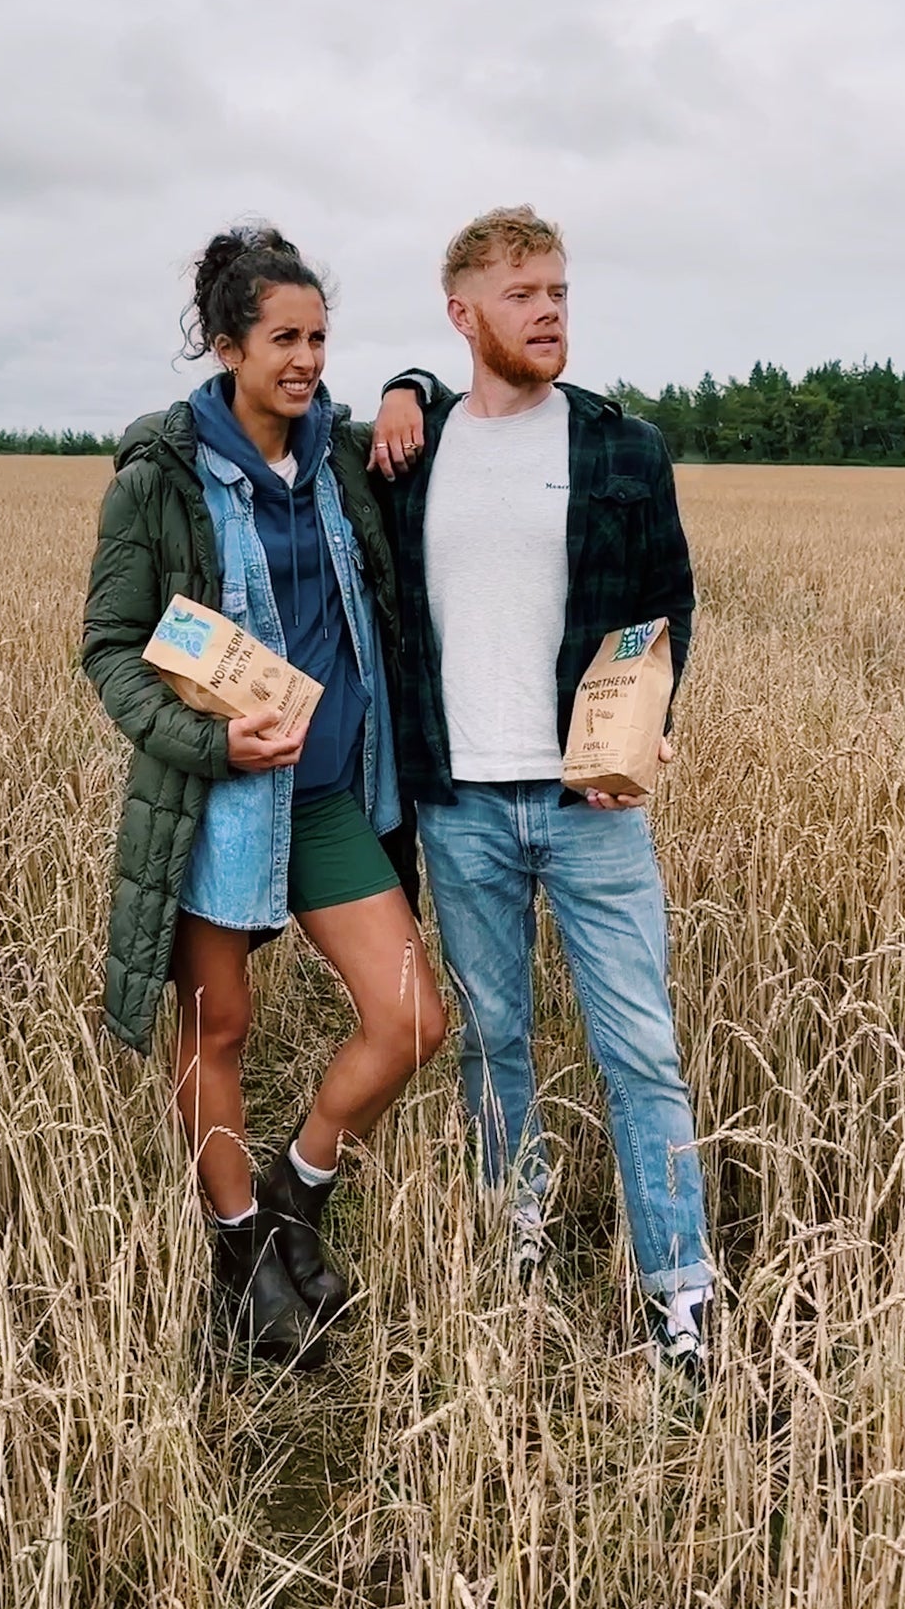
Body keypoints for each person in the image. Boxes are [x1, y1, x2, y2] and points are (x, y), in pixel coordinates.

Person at [81, 225, 446, 1372]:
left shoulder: (337, 455)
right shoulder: (163, 472)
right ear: (228, 342)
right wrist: (210, 739)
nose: (305, 359)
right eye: (283, 338)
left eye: (321, 338)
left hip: (334, 792)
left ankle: (297, 1194)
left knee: (412, 1020)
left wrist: (406, 383)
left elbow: (445, 404)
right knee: (219, 1028)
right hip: (224, 804)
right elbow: (110, 649)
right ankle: (242, 1260)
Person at [370, 204, 714, 1377]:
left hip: (590, 806)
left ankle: (681, 1296)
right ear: (463, 312)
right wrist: (404, 384)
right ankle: (512, 1230)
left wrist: (648, 722)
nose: (551, 310)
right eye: (522, 294)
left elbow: (668, 601)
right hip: (459, 799)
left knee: (642, 1050)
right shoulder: (408, 457)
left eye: (560, 290)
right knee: (494, 1038)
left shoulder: (624, 446)